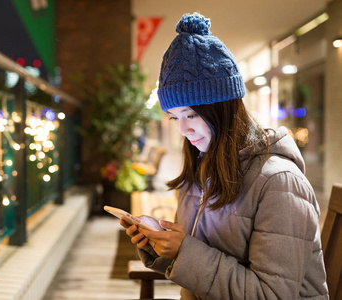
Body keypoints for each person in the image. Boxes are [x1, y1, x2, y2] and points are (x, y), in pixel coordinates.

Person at [120, 12, 329, 299]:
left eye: (191, 114)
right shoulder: (202, 167)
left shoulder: (280, 182)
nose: (183, 128)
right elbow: (200, 264)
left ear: (223, 108)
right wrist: (158, 243)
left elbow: (274, 294)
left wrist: (185, 251)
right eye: (174, 117)